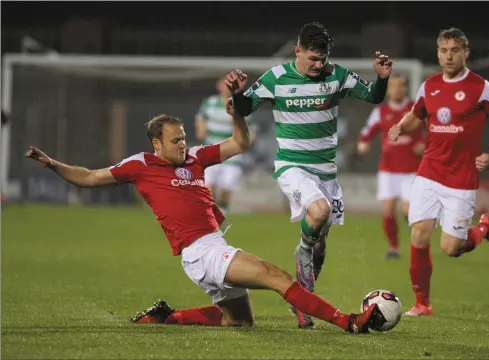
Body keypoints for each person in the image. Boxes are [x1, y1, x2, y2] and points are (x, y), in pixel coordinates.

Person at [25, 99, 380, 332]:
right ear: (156, 144)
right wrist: (53, 164)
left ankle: (167, 316)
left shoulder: (197, 157)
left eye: (183, 138)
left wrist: (235, 114)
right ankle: (347, 321)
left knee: (240, 323)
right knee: (275, 275)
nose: (182, 144)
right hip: (201, 251)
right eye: (175, 140)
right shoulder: (140, 165)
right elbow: (89, 177)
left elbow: (241, 143)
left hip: (210, 248)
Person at [226, 21, 393, 328]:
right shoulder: (276, 78)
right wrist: (237, 95)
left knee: (320, 245)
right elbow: (244, 108)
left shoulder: (337, 75)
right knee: (318, 213)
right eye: (312, 58)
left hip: (326, 172)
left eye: (322, 59)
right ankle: (301, 250)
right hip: (292, 166)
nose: (318, 65)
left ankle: (303, 300)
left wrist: (381, 80)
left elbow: (372, 96)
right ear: (297, 51)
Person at [388, 27, 489, 316]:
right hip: (429, 172)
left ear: (465, 53)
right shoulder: (429, 85)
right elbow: (415, 116)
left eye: (454, 50)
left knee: (450, 248)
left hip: (461, 179)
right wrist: (399, 127)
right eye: (443, 50)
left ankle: (484, 228)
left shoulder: (482, 88)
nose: (448, 56)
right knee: (419, 233)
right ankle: (422, 303)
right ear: (438, 53)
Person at [357, 74, 425, 259]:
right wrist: (363, 142)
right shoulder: (381, 111)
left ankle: (418, 244)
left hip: (411, 169)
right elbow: (367, 131)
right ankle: (394, 248)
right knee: (387, 212)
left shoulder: (416, 109)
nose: (398, 89)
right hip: (388, 170)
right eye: (394, 86)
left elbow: (434, 130)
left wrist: (425, 144)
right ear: (388, 90)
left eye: (402, 86)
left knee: (408, 211)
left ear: (406, 88)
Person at [195, 75, 256, 217]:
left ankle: (221, 216)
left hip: (232, 155)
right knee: (208, 189)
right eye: (224, 83)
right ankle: (209, 221)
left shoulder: (241, 104)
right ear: (219, 86)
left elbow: (251, 129)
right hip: (211, 151)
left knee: (225, 191)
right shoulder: (209, 103)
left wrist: (247, 140)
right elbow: (201, 121)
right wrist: (201, 130)